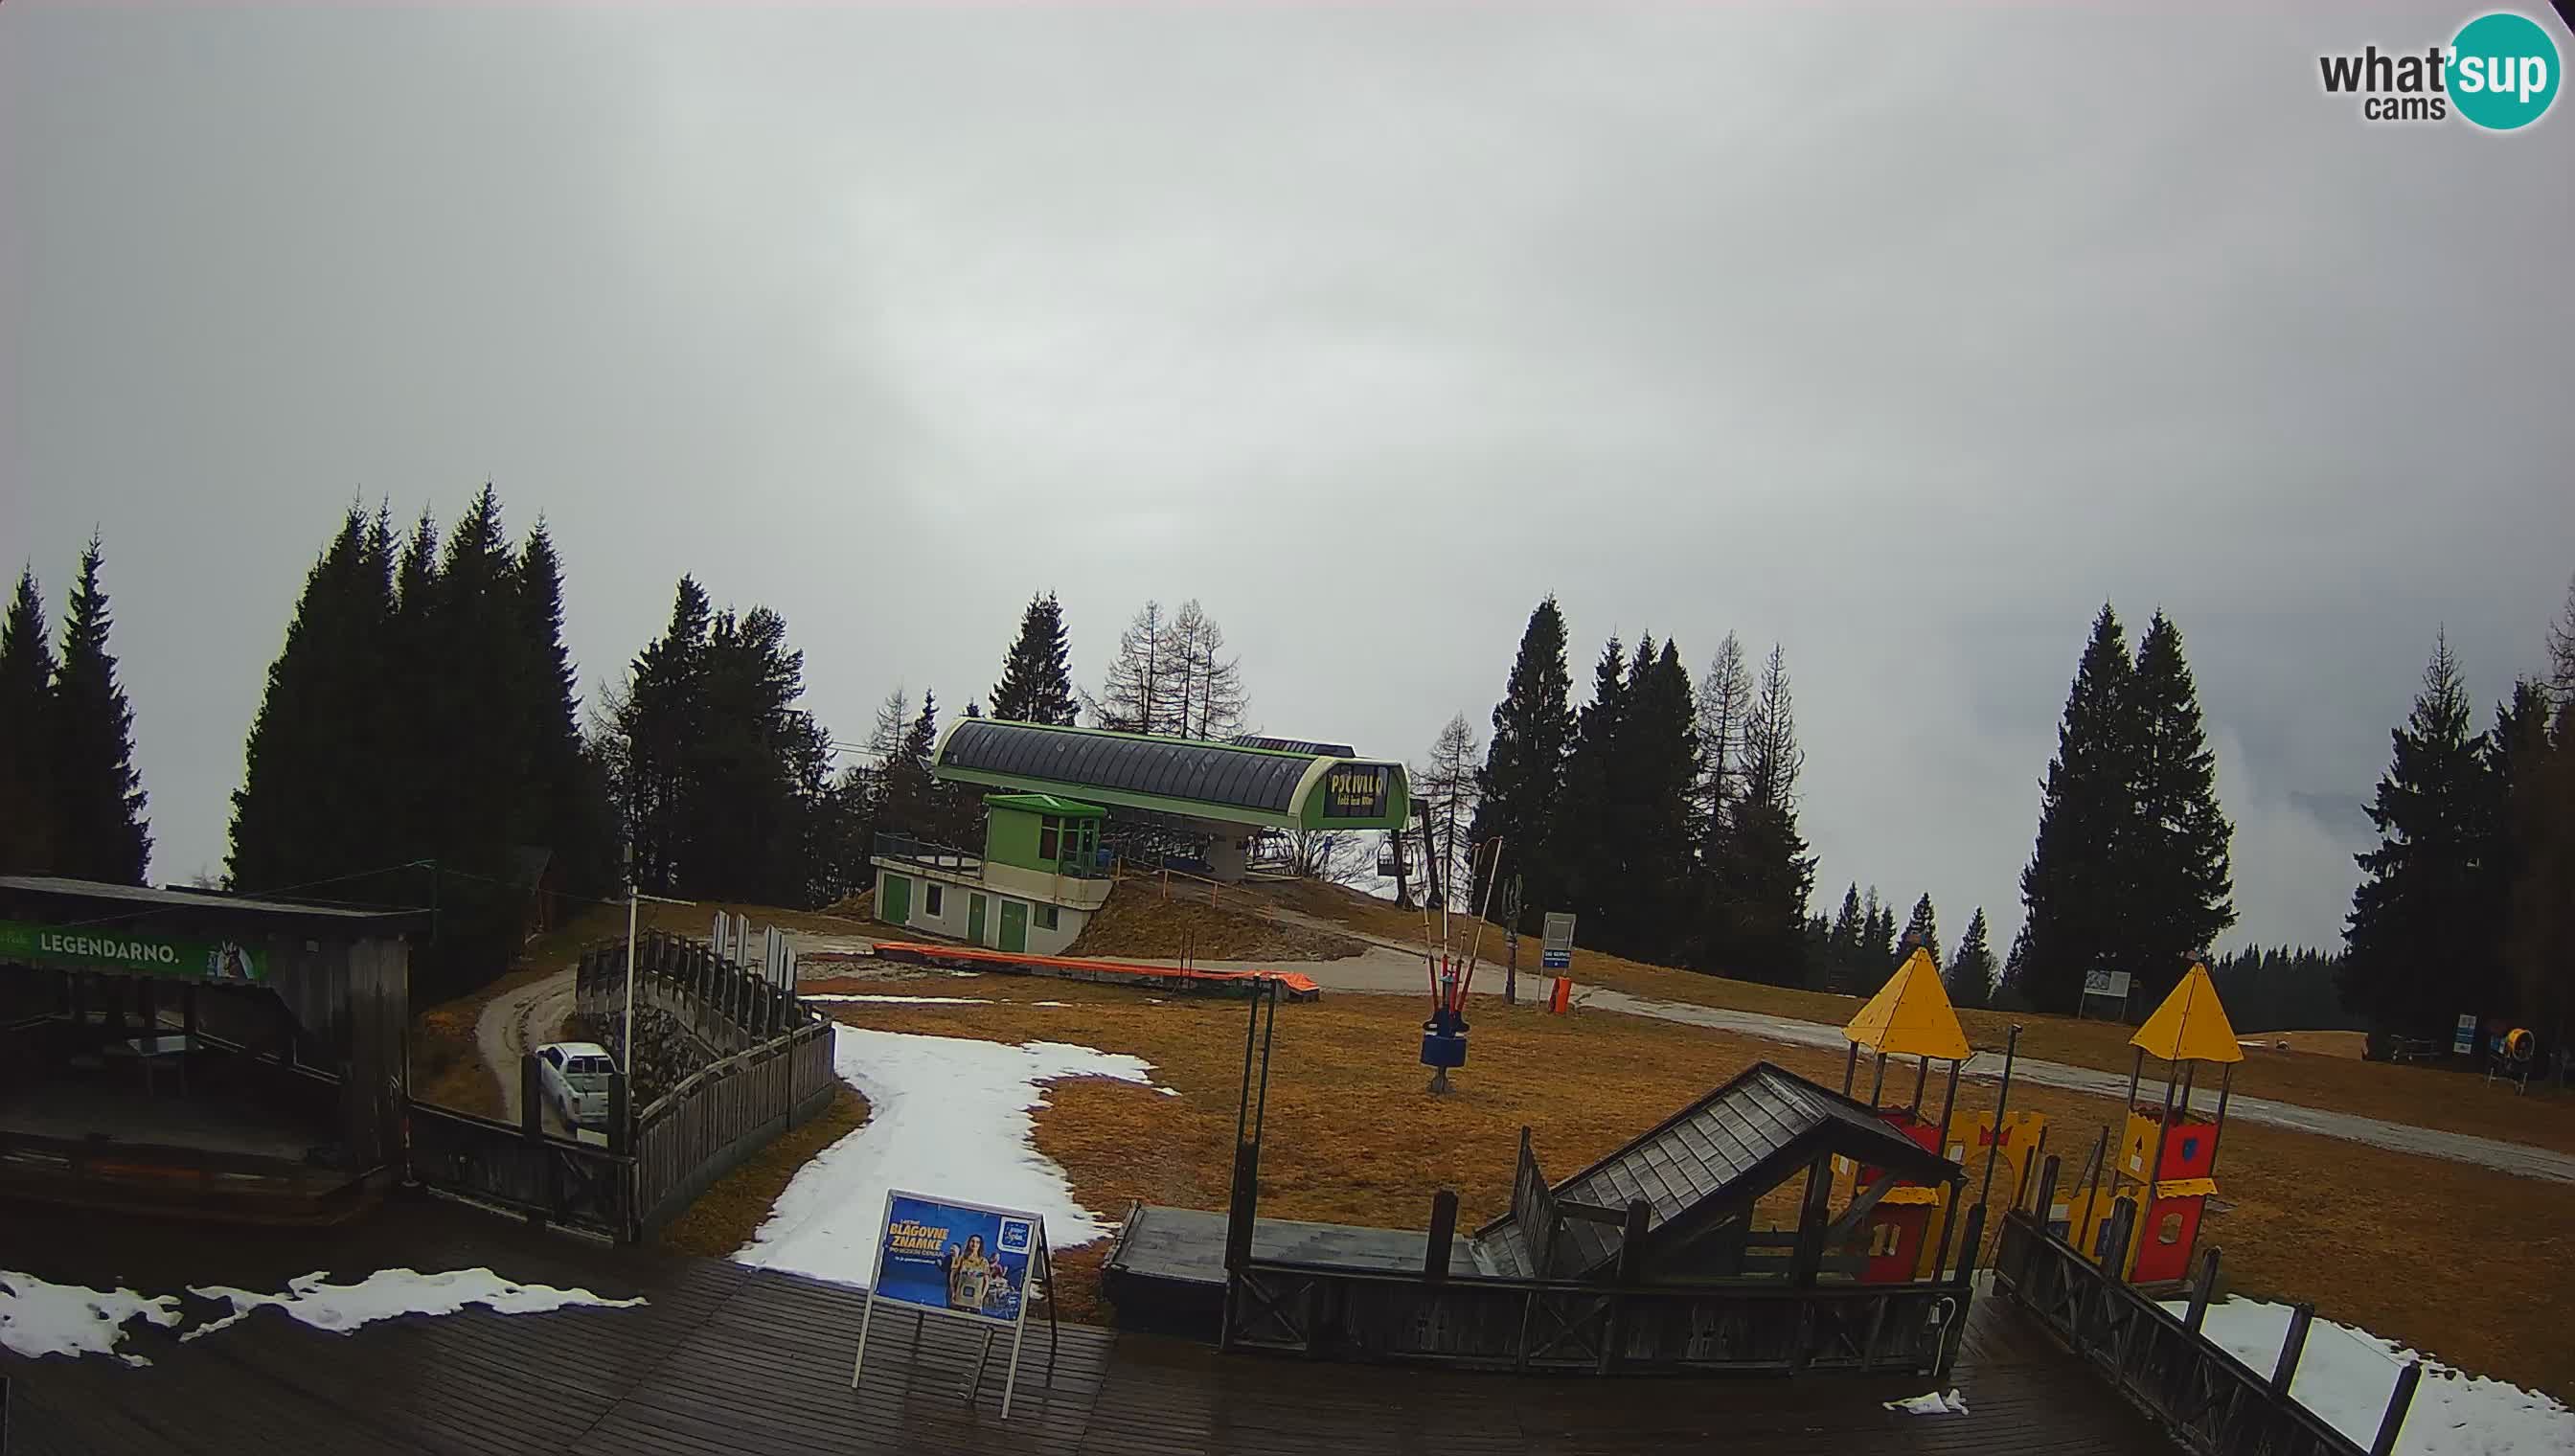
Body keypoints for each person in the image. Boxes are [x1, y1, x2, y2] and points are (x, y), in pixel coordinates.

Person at [948, 1235, 991, 1312]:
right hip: (959, 1299)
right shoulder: (962, 1258)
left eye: (978, 1242)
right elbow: (952, 1276)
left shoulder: (984, 1262)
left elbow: (987, 1282)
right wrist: (953, 1292)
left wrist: (982, 1297)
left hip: (975, 1301)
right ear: (969, 1243)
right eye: (972, 1241)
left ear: (980, 1245)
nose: (975, 1244)